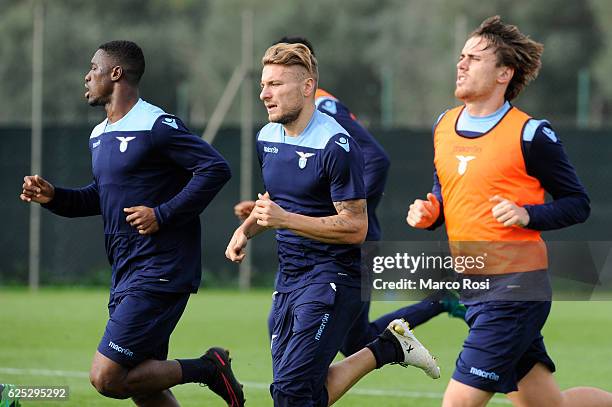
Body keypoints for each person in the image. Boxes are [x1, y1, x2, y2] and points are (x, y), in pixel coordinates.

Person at [20, 40, 245, 407]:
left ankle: (209, 368)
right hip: (126, 269)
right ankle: (207, 368)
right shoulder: (99, 134)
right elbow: (101, 197)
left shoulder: (155, 124)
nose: (87, 75)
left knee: (106, 377)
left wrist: (162, 214)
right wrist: (54, 197)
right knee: (142, 384)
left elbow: (215, 168)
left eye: (94, 68)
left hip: (161, 267)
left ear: (116, 73)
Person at [407, 16, 612, 407]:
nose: (461, 64)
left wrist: (528, 214)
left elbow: (578, 204)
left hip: (515, 289)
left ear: (504, 73)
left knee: (458, 403)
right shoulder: (443, 125)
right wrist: (429, 213)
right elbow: (444, 194)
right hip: (475, 290)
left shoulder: (531, 134)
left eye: (474, 58)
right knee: (551, 405)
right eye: (461, 56)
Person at [226, 42, 439, 407]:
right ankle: (387, 346)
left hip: (334, 277)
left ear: (308, 87)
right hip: (289, 277)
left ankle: (394, 340)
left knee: (292, 393)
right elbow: (276, 204)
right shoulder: (267, 138)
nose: (264, 94)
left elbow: (355, 227)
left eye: (276, 84)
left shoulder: (336, 144)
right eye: (263, 84)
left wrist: (285, 219)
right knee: (294, 395)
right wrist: (245, 230)